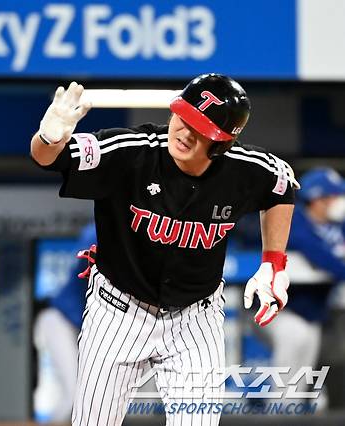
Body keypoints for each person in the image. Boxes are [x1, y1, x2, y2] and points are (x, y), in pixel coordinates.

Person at [30, 74, 298, 426]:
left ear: (221, 144)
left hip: (195, 318)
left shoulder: (244, 170)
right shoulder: (131, 151)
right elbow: (49, 159)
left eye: (200, 129)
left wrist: (273, 262)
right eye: (182, 118)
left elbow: (283, 184)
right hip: (118, 312)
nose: (184, 132)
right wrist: (49, 137)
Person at [259, 167, 345, 406]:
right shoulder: (294, 221)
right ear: (317, 199)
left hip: (311, 313)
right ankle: (278, 414)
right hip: (274, 310)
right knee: (295, 336)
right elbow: (326, 259)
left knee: (304, 367)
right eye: (333, 196)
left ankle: (291, 413)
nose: (339, 202)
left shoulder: (336, 227)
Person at [33, 222, 96, 421]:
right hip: (60, 321)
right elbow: (87, 247)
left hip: (85, 330)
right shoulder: (97, 231)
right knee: (73, 398)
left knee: (97, 399)